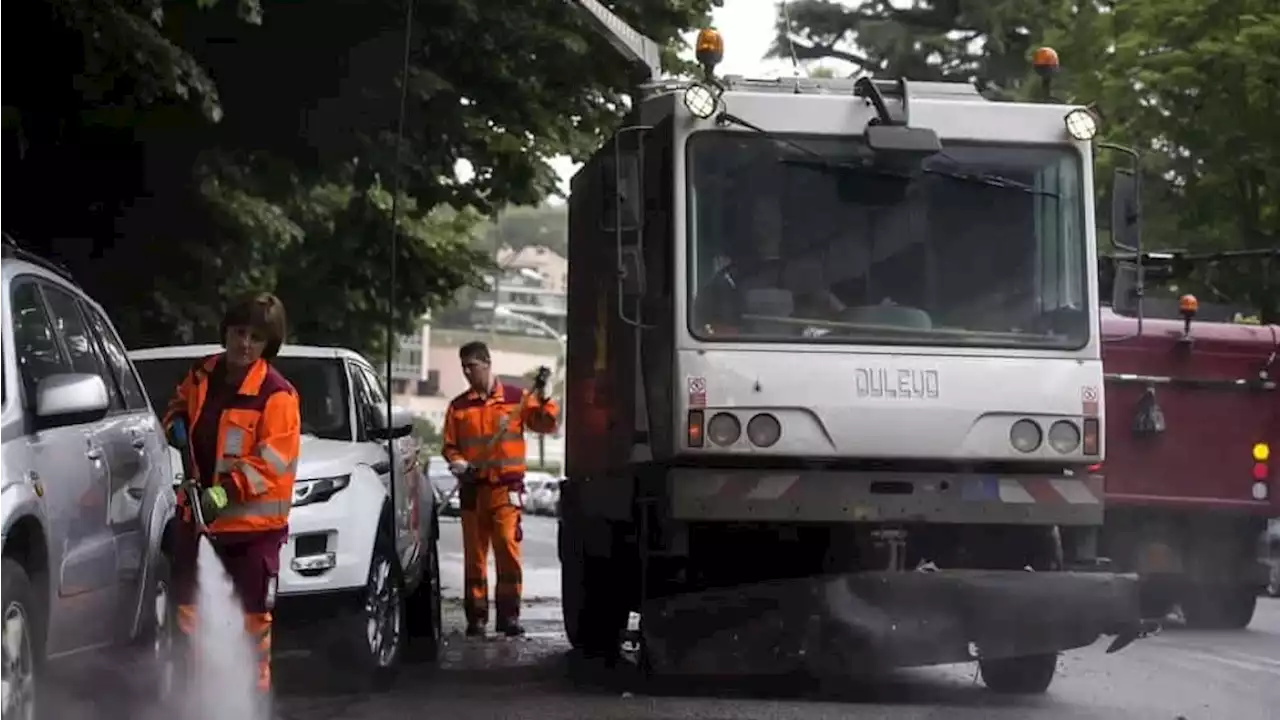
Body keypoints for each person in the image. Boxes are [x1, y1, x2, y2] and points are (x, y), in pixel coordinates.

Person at [162, 291, 301, 697]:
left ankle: (250, 699)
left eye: (256, 338)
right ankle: (194, 693)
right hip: (197, 521)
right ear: (226, 331)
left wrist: (224, 494)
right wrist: (175, 423)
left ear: (267, 345)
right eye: (239, 332)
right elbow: (176, 406)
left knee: (253, 621)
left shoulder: (277, 395)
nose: (245, 344)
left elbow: (272, 460)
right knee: (188, 614)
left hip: (252, 531)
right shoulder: (202, 374)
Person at [442, 341, 559, 637]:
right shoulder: (459, 406)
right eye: (464, 367)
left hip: (505, 490)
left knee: (507, 547)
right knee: (475, 557)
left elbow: (546, 424)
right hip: (473, 490)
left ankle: (508, 615)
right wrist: (458, 463)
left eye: (473, 366)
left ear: (487, 363)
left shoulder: (516, 399)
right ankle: (476, 617)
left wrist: (544, 394)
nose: (468, 372)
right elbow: (450, 446)